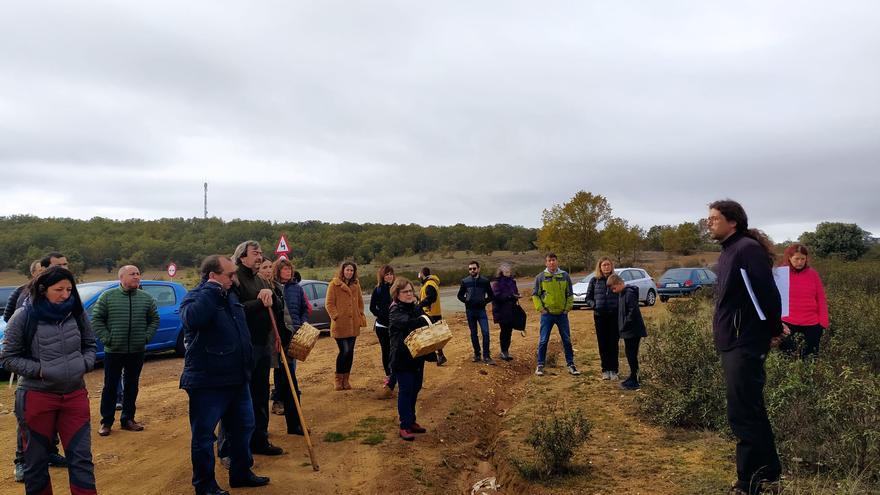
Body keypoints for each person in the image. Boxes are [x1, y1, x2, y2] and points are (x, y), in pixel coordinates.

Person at [708, 199, 784, 495]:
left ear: (733, 221)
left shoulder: (745, 250)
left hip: (744, 340)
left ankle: (748, 482)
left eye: (714, 218)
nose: (709, 223)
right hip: (733, 339)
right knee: (752, 408)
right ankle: (769, 476)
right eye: (709, 218)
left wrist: (773, 330)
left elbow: (766, 294)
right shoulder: (729, 252)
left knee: (742, 412)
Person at [0, 266, 97, 494]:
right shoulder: (24, 316)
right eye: (59, 289)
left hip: (74, 395)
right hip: (36, 396)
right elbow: (8, 357)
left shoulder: (76, 312)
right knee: (36, 463)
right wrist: (42, 370)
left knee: (82, 459)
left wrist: (83, 364)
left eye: (69, 289)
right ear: (43, 290)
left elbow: (90, 344)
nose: (66, 295)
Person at [180, 255, 270, 495]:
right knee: (204, 436)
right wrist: (211, 291)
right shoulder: (197, 296)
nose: (234, 279)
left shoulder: (230, 296)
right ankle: (205, 486)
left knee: (244, 428)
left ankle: (241, 473)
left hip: (237, 378)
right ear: (212, 276)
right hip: (208, 381)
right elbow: (192, 320)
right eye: (229, 275)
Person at [7, 254, 68, 483]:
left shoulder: (65, 293)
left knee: (55, 413)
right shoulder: (23, 292)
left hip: (60, 371)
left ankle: (50, 452)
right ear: (42, 269)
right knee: (27, 419)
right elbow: (11, 319)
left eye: (65, 265)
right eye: (58, 265)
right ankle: (21, 461)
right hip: (32, 369)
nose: (63, 268)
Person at [230, 240, 285, 456]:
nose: (260, 256)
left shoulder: (260, 279)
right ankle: (233, 449)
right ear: (242, 256)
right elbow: (235, 310)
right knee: (240, 398)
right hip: (245, 346)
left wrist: (271, 296)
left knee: (261, 395)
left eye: (261, 252)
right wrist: (259, 302)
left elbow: (276, 305)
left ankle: (260, 440)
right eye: (255, 253)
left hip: (263, 345)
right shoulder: (235, 280)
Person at [92, 265, 160, 436]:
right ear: (121, 278)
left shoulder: (146, 298)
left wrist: (145, 337)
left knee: (132, 385)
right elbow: (97, 319)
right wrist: (108, 338)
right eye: (132, 274)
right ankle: (106, 422)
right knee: (110, 386)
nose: (137, 277)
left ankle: (128, 419)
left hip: (137, 350)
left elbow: (154, 320)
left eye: (138, 273)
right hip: (114, 350)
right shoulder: (108, 296)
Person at [388, 277, 432, 441]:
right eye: (405, 291)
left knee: (416, 387)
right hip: (402, 357)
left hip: (417, 355)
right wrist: (421, 320)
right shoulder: (395, 310)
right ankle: (404, 425)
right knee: (405, 390)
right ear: (397, 294)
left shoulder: (414, 307)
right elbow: (408, 323)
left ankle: (411, 420)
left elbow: (425, 320)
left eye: (410, 291)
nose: (409, 294)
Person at [270, 258, 304, 436]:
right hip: (275, 340)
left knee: (291, 374)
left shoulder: (295, 288)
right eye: (285, 269)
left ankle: (294, 422)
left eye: (290, 269)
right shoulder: (272, 288)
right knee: (283, 375)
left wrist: (302, 325)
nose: (288, 272)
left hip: (293, 334)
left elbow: (303, 308)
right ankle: (278, 400)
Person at [532, 253, 581, 376]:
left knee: (567, 340)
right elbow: (535, 295)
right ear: (546, 263)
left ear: (557, 261)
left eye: (553, 260)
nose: (552, 263)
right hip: (547, 315)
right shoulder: (540, 277)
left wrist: (567, 308)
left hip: (562, 314)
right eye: (549, 260)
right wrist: (540, 308)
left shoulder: (564, 276)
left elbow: (570, 294)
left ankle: (571, 364)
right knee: (543, 340)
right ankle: (540, 365)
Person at [779, 244, 828, 358]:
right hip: (787, 323)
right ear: (789, 258)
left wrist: (823, 323)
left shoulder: (813, 274)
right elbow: (773, 299)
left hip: (812, 324)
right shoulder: (781, 274)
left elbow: (821, 298)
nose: (800, 262)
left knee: (810, 358)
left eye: (803, 259)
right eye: (796, 259)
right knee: (788, 358)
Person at [326, 261, 367, 391]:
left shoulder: (356, 284)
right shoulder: (334, 284)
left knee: (350, 353)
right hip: (340, 325)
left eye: (351, 270)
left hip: (353, 324)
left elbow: (360, 301)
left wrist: (360, 314)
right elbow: (329, 303)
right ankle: (338, 379)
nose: (349, 272)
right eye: (347, 270)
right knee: (344, 351)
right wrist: (336, 316)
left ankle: (346, 379)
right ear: (342, 270)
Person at [608, 274, 647, 390]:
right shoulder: (621, 294)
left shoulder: (629, 294)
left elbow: (632, 312)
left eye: (614, 288)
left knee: (632, 354)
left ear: (620, 284)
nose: (613, 291)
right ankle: (633, 376)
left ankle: (635, 379)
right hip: (627, 331)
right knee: (629, 354)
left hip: (633, 330)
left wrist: (624, 325)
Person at [586, 257, 619, 379]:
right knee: (603, 343)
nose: (606, 267)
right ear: (600, 267)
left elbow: (621, 294)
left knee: (613, 343)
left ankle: (614, 370)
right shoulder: (594, 281)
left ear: (611, 266)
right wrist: (594, 305)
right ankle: (605, 370)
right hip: (600, 316)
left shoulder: (616, 279)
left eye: (608, 264)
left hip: (613, 316)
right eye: (604, 265)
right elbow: (588, 298)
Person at [457, 261, 496, 365]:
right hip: (470, 311)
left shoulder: (485, 281)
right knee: (473, 333)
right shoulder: (465, 281)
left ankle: (487, 356)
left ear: (478, 269)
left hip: (481, 311)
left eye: (474, 268)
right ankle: (477, 354)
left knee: (486, 332)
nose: (472, 270)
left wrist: (484, 302)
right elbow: (459, 295)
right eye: (470, 269)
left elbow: (491, 295)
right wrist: (467, 301)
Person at [370, 265, 396, 397]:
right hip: (382, 327)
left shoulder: (398, 288)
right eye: (387, 274)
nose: (389, 276)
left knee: (396, 351)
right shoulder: (378, 289)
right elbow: (371, 307)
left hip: (396, 327)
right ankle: (389, 376)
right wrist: (380, 315)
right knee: (386, 351)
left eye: (391, 274)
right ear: (382, 276)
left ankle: (396, 375)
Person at [417, 267, 447, 366]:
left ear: (422, 274)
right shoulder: (430, 283)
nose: (419, 276)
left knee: (432, 337)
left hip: (431, 314)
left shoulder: (429, 284)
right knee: (435, 336)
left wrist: (420, 305)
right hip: (434, 312)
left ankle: (437, 356)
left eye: (419, 274)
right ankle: (440, 355)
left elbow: (431, 298)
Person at [491, 263, 521, 361]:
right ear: (501, 272)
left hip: (511, 310)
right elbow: (496, 296)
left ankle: (506, 351)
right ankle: (503, 351)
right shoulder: (497, 283)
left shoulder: (512, 282)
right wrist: (510, 296)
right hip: (501, 311)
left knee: (509, 331)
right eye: (506, 271)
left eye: (509, 271)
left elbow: (515, 292)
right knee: (504, 330)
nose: (508, 272)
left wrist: (516, 296)